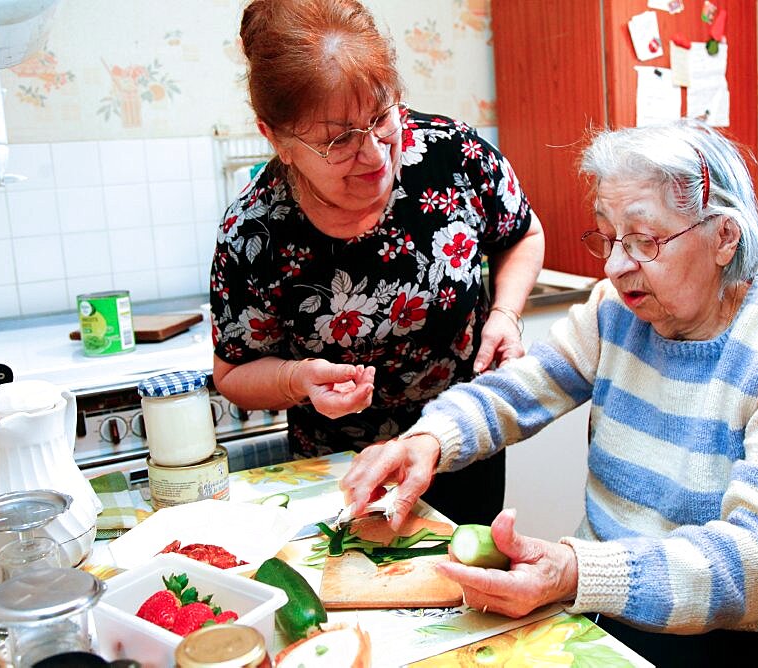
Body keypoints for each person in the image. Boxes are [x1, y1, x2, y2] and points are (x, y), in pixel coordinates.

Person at [340, 119, 758, 667]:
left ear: (724, 237)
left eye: (643, 240)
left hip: (745, 640)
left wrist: (576, 571)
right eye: (608, 237)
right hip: (613, 608)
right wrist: (429, 440)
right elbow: (520, 388)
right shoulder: (617, 311)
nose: (614, 267)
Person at [210, 0, 545, 526]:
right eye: (338, 140)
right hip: (340, 473)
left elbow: (523, 233)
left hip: (458, 447)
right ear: (276, 139)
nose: (373, 155)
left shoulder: (453, 157)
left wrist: (504, 313)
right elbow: (234, 373)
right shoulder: (255, 231)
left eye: (381, 117)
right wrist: (299, 379)